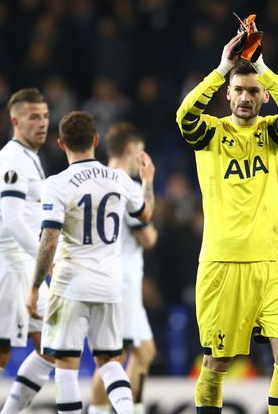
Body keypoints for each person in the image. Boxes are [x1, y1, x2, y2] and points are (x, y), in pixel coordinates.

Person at [175, 15, 278, 414]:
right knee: (218, 363)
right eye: (238, 90)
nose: (245, 97)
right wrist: (221, 69)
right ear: (227, 95)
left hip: (270, 261)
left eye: (253, 91)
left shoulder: (272, 134)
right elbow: (184, 118)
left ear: (263, 96)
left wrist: (262, 67)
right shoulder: (211, 134)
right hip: (222, 262)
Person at [26, 111, 155, 414]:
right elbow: (146, 216)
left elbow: (50, 240)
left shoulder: (56, 184)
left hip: (71, 282)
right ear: (96, 140)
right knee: (110, 362)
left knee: (66, 365)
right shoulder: (121, 179)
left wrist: (34, 286)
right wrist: (148, 182)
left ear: (61, 143)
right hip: (110, 285)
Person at [0, 88, 54, 414]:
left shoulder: (31, 157)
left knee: (53, 346)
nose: (42, 123)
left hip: (25, 265)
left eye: (45, 116)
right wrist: (46, 262)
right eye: (34, 117)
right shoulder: (11, 160)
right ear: (15, 120)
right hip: (2, 264)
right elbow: (14, 220)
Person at [88, 122, 159, 414]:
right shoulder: (126, 185)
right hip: (124, 282)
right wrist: (148, 184)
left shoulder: (95, 181)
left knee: (141, 353)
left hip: (104, 277)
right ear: (131, 149)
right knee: (115, 361)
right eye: (140, 151)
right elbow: (148, 236)